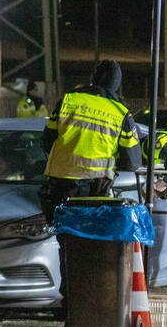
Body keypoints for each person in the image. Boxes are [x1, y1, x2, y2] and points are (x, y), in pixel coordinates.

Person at [39, 60, 141, 222]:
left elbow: (46, 141)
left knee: (64, 234)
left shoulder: (68, 100)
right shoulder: (121, 113)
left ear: (94, 78)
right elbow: (132, 162)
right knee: (91, 238)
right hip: (96, 188)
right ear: (117, 83)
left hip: (60, 183)